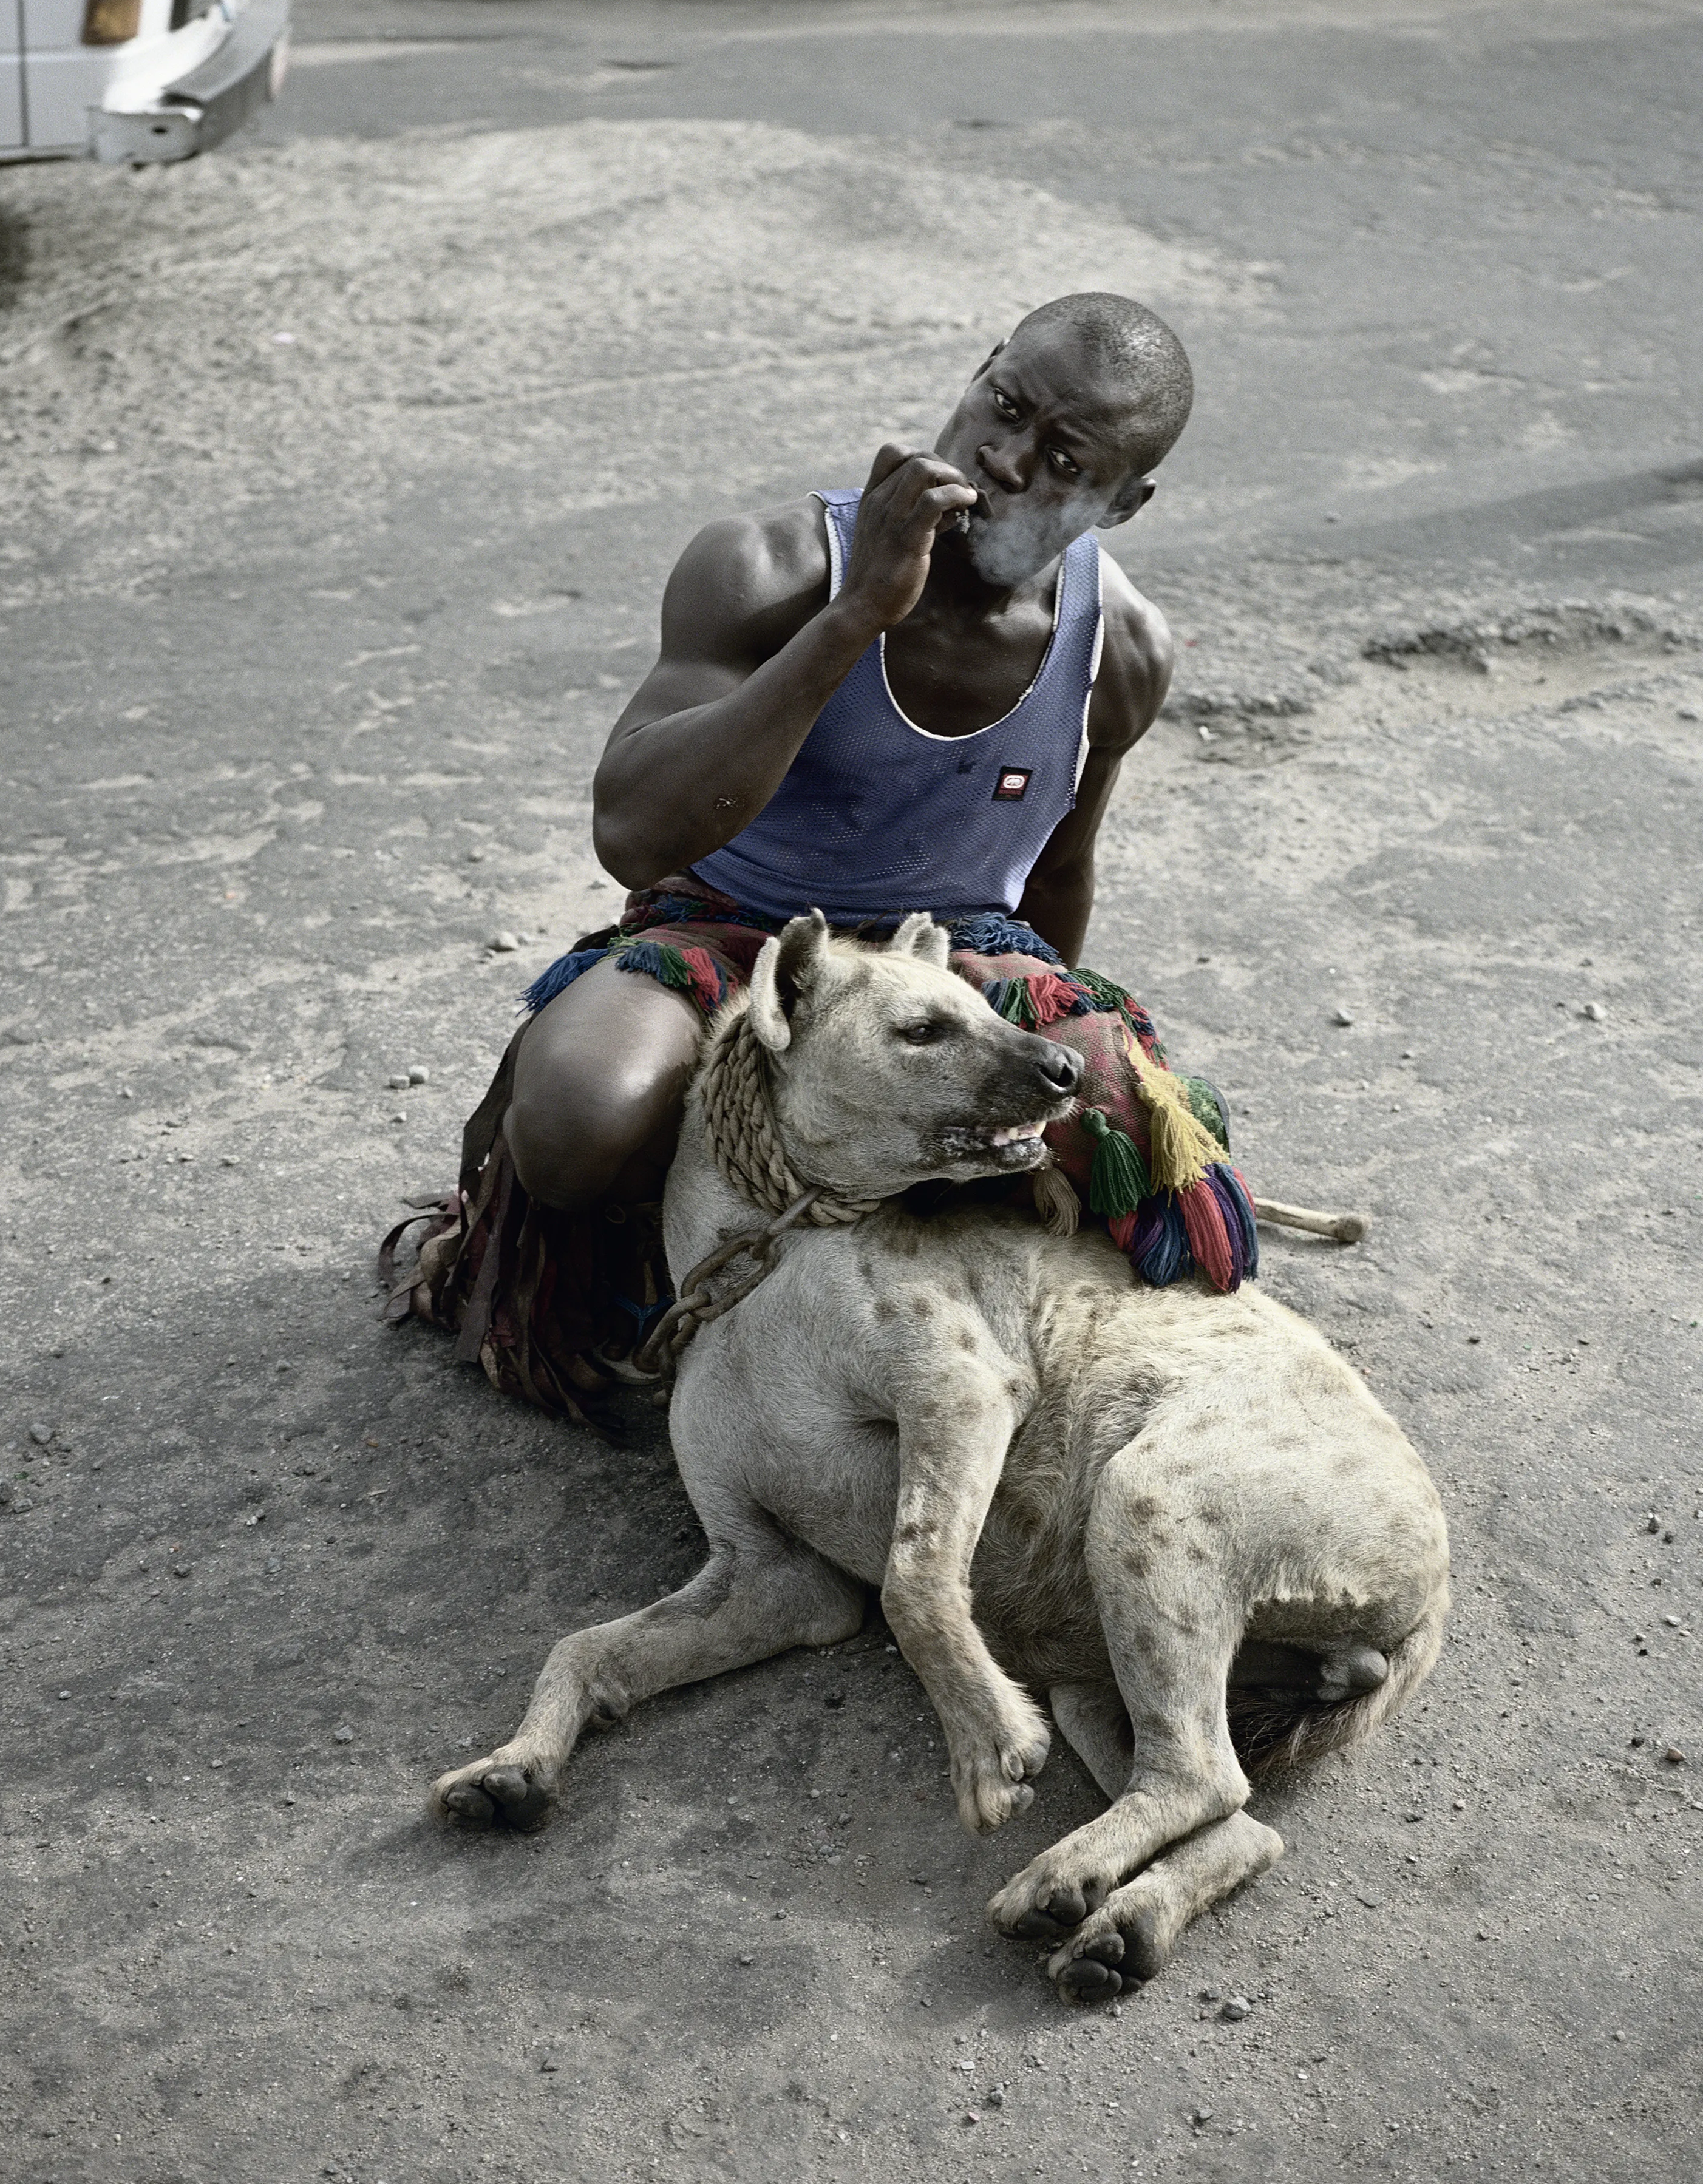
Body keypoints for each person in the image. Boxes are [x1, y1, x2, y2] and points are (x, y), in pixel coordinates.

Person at [384, 292, 1266, 1416]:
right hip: (729, 926)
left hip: (951, 956)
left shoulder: (1122, 647)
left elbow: (1055, 869)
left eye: (1062, 458)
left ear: (1123, 502)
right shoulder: (767, 566)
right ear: (979, 369)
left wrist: (1018, 1038)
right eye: (1002, 407)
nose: (1001, 459)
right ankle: (628, 1289)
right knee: (579, 1118)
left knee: (1139, 1149)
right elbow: (634, 835)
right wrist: (854, 619)